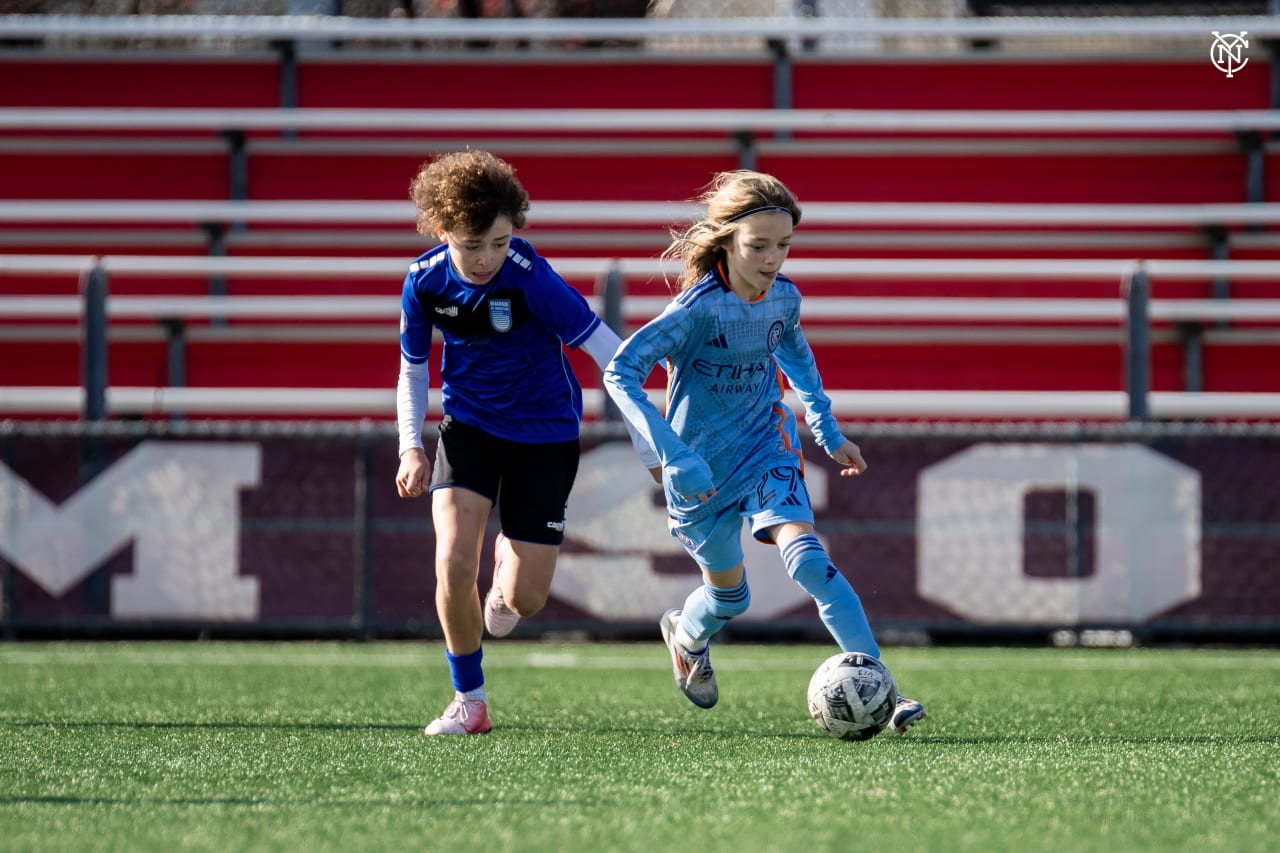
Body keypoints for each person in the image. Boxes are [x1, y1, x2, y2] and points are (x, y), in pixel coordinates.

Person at [603, 170, 926, 734]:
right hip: (699, 470)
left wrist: (827, 431)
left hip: (764, 448)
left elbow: (796, 355)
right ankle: (686, 637)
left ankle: (884, 687)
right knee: (730, 598)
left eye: (784, 245)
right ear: (725, 241)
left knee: (807, 559)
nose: (773, 258)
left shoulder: (784, 299)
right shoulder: (694, 311)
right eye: (759, 246)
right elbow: (620, 371)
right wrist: (674, 456)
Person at [395, 149, 657, 736]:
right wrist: (410, 445)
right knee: (452, 562)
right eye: (472, 245)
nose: (488, 257)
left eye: (499, 241)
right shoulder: (422, 281)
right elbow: (413, 368)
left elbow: (611, 352)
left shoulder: (531, 277)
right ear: (443, 233)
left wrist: (651, 446)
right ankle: (470, 701)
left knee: (526, 600)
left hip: (546, 436)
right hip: (469, 430)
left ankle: (504, 589)